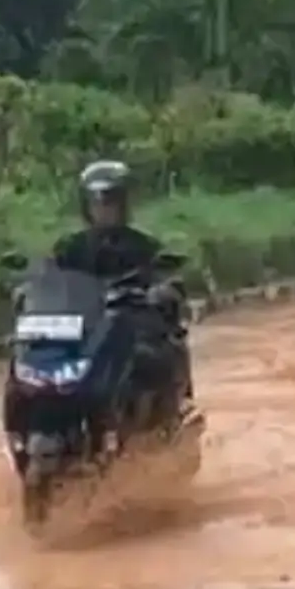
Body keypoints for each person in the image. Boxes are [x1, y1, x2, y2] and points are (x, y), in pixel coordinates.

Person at [49, 160, 193, 412]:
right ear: (86, 207)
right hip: (86, 328)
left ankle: (177, 405)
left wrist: (162, 290)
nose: (103, 210)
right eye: (97, 203)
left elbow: (166, 275)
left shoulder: (144, 245)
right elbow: (49, 277)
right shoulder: (70, 247)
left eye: (110, 203)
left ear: (123, 204)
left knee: (162, 348)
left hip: (131, 327)